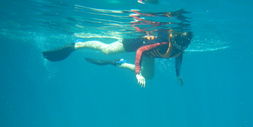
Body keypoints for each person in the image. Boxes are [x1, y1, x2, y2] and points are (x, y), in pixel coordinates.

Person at [42, 29, 193, 87]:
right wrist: (137, 73)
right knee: (107, 50)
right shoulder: (163, 43)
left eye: (182, 47)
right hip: (136, 44)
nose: (179, 49)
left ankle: (119, 63)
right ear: (174, 41)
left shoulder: (179, 49)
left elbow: (178, 59)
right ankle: (78, 44)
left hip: (149, 55)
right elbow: (140, 50)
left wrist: (178, 75)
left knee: (150, 76)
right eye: (178, 46)